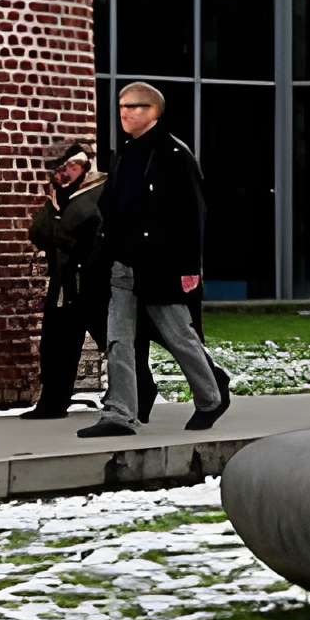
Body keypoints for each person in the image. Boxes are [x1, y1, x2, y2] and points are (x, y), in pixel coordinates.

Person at [85, 83, 233, 434]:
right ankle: (119, 413)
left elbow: (192, 215)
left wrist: (187, 268)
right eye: (122, 105)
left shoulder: (174, 155)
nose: (125, 112)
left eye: (135, 106)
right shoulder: (123, 155)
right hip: (123, 265)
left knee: (180, 336)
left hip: (162, 265)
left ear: (155, 111)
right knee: (118, 340)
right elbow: (113, 209)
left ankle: (211, 397)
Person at [23, 142, 110, 418]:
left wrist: (60, 227)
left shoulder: (99, 192)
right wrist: (54, 206)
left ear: (85, 167)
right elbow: (38, 233)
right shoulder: (59, 198)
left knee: (114, 342)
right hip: (64, 282)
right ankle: (52, 403)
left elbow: (79, 234)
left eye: (71, 167)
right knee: (56, 344)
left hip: (94, 283)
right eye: (62, 168)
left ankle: (138, 393)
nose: (65, 173)